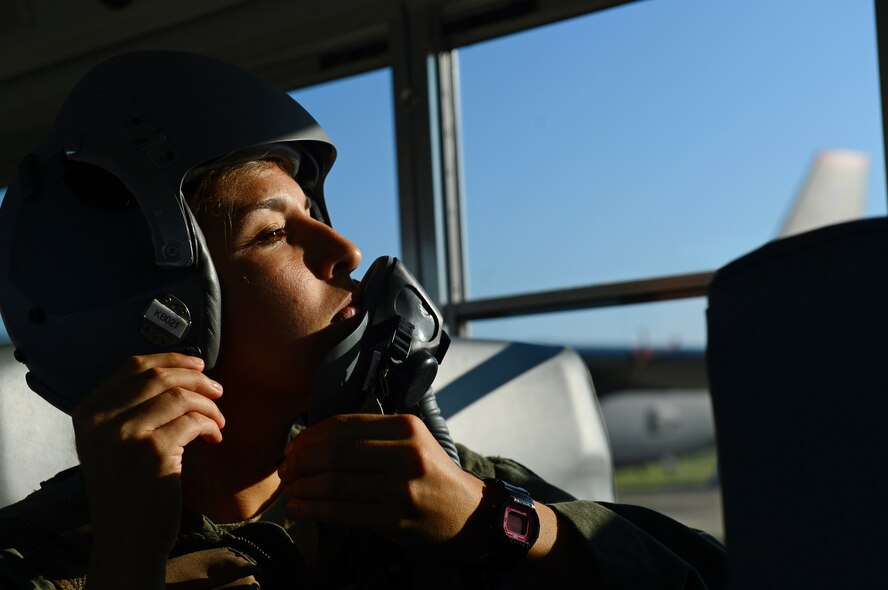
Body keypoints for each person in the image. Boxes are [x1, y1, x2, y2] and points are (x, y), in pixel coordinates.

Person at [0, 50, 725, 589]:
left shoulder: (406, 481)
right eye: (274, 232)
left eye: (313, 214)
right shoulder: (32, 559)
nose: (345, 249)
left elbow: (710, 577)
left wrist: (495, 522)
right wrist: (126, 565)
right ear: (161, 315)